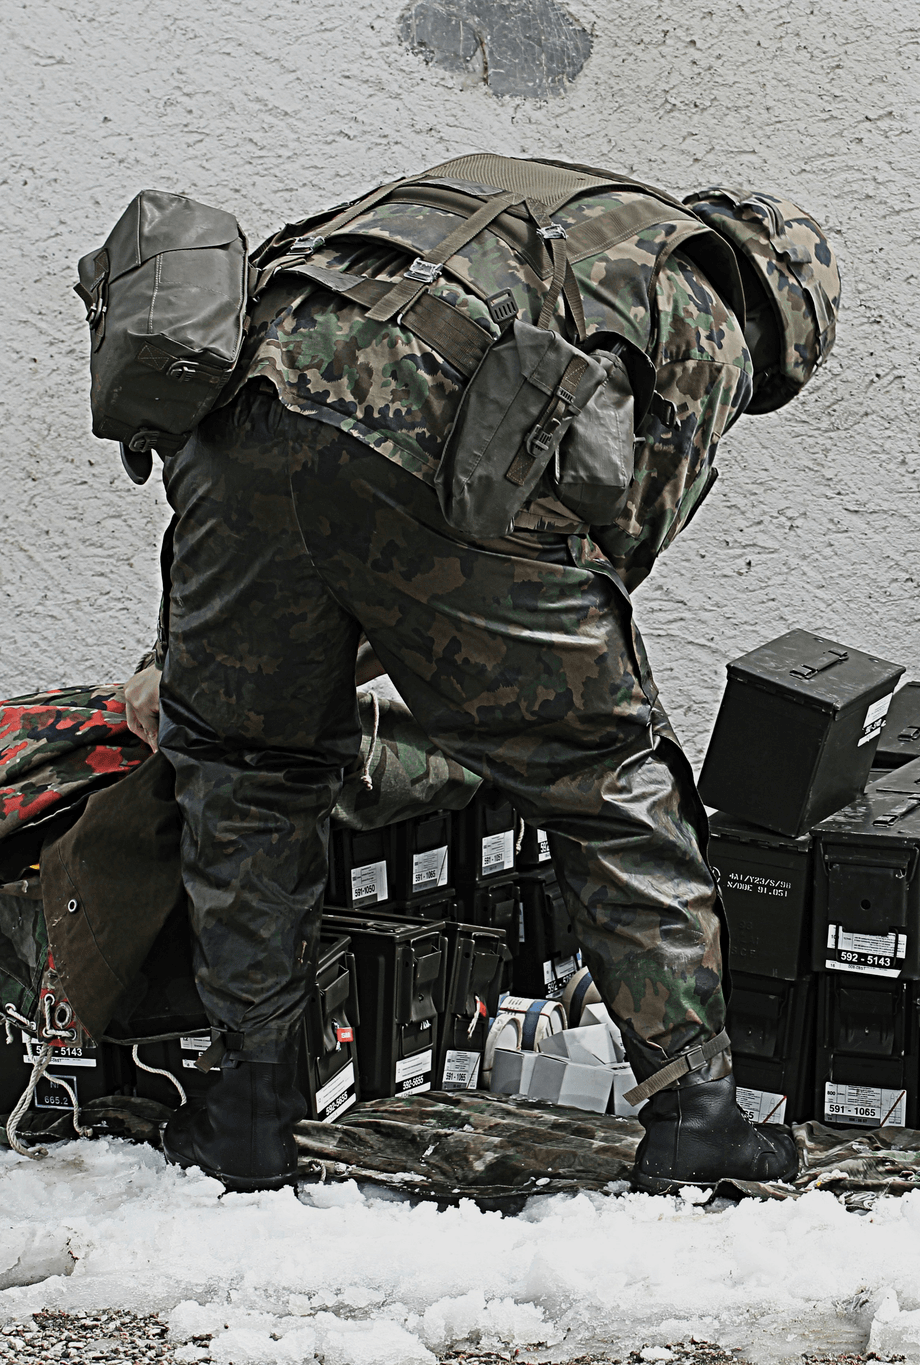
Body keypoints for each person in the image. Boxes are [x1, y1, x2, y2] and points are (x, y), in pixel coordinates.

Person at [115, 155, 839, 1192]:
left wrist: (180, 655)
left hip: (238, 434)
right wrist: (462, 662)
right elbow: (611, 547)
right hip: (432, 464)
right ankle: (696, 1114)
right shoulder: (703, 296)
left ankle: (248, 1108)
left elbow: (317, 441)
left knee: (247, 767)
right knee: (604, 781)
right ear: (784, 322)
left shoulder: (520, 200)